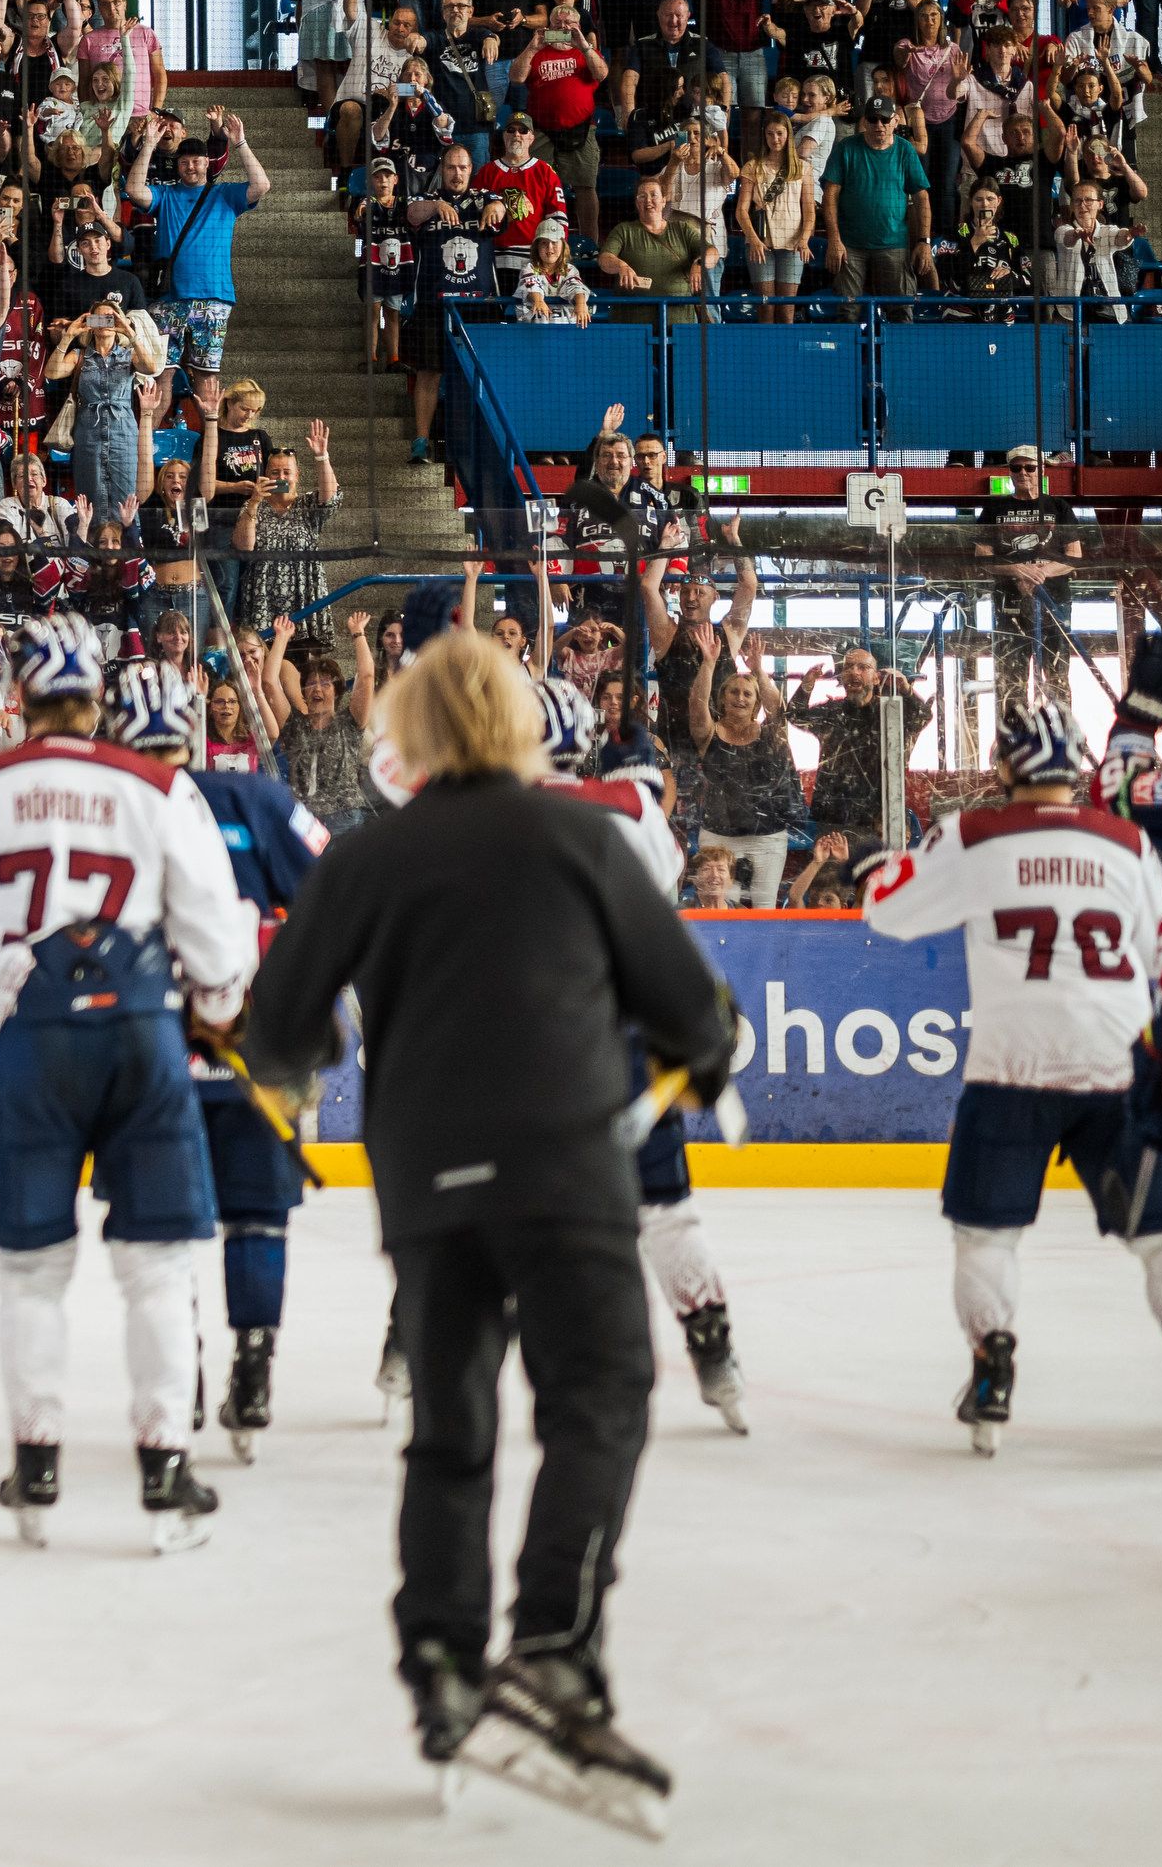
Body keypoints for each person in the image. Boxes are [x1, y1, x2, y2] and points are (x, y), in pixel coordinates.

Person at [240, 628, 733, 1836]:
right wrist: (701, 1053)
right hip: (563, 1163)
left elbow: (276, 1028)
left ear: (407, 731)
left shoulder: (366, 856)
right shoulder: (582, 838)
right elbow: (692, 1011)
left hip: (425, 1175)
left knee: (450, 1424)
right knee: (596, 1396)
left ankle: (443, 1662)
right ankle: (551, 1646)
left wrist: (309, 1057)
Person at [0, 620, 256, 1551]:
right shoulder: (162, 787)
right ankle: (165, 1469)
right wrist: (211, 1004)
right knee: (157, 1266)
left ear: (21, 696)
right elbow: (219, 945)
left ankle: (38, 1462)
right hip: (142, 1033)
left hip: (33, 1039)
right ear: (96, 699)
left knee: (32, 1268)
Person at [860, 705, 1162, 1454]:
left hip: (1010, 1067)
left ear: (1004, 766)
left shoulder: (973, 833)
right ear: (1076, 763)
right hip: (1116, 1062)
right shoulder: (1128, 842)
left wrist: (873, 869)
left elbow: (888, 913)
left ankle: (992, 1369)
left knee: (986, 1234)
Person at [102, 661, 327, 1461]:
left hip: (144, 1056)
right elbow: (331, 893)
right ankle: (254, 1371)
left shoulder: (104, 811)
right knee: (258, 1216)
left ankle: (182, 1371)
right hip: (252, 1051)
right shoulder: (255, 799)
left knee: (159, 1235)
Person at [533, 675, 743, 1431]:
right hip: (615, 1033)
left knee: (473, 1207)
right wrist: (635, 785)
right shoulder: (629, 805)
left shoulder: (482, 810)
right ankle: (713, 1347)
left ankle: (410, 1344)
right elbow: (661, 886)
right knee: (665, 1207)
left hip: (512, 1043)